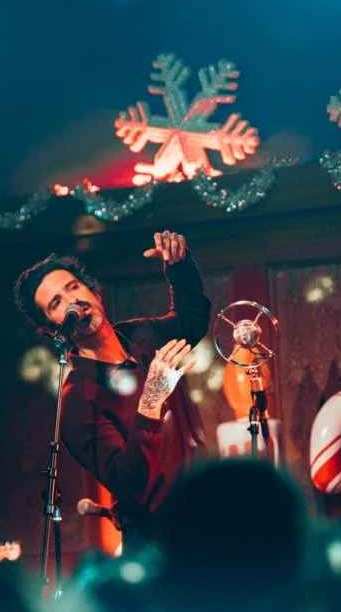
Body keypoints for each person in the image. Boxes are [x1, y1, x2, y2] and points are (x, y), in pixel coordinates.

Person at [13, 229, 211, 540]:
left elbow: (192, 319)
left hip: (207, 512)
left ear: (93, 292)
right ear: (52, 328)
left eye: (74, 287)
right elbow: (128, 484)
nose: (72, 302)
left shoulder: (139, 336)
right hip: (160, 542)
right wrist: (150, 401)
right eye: (56, 303)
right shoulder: (78, 400)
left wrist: (179, 266)